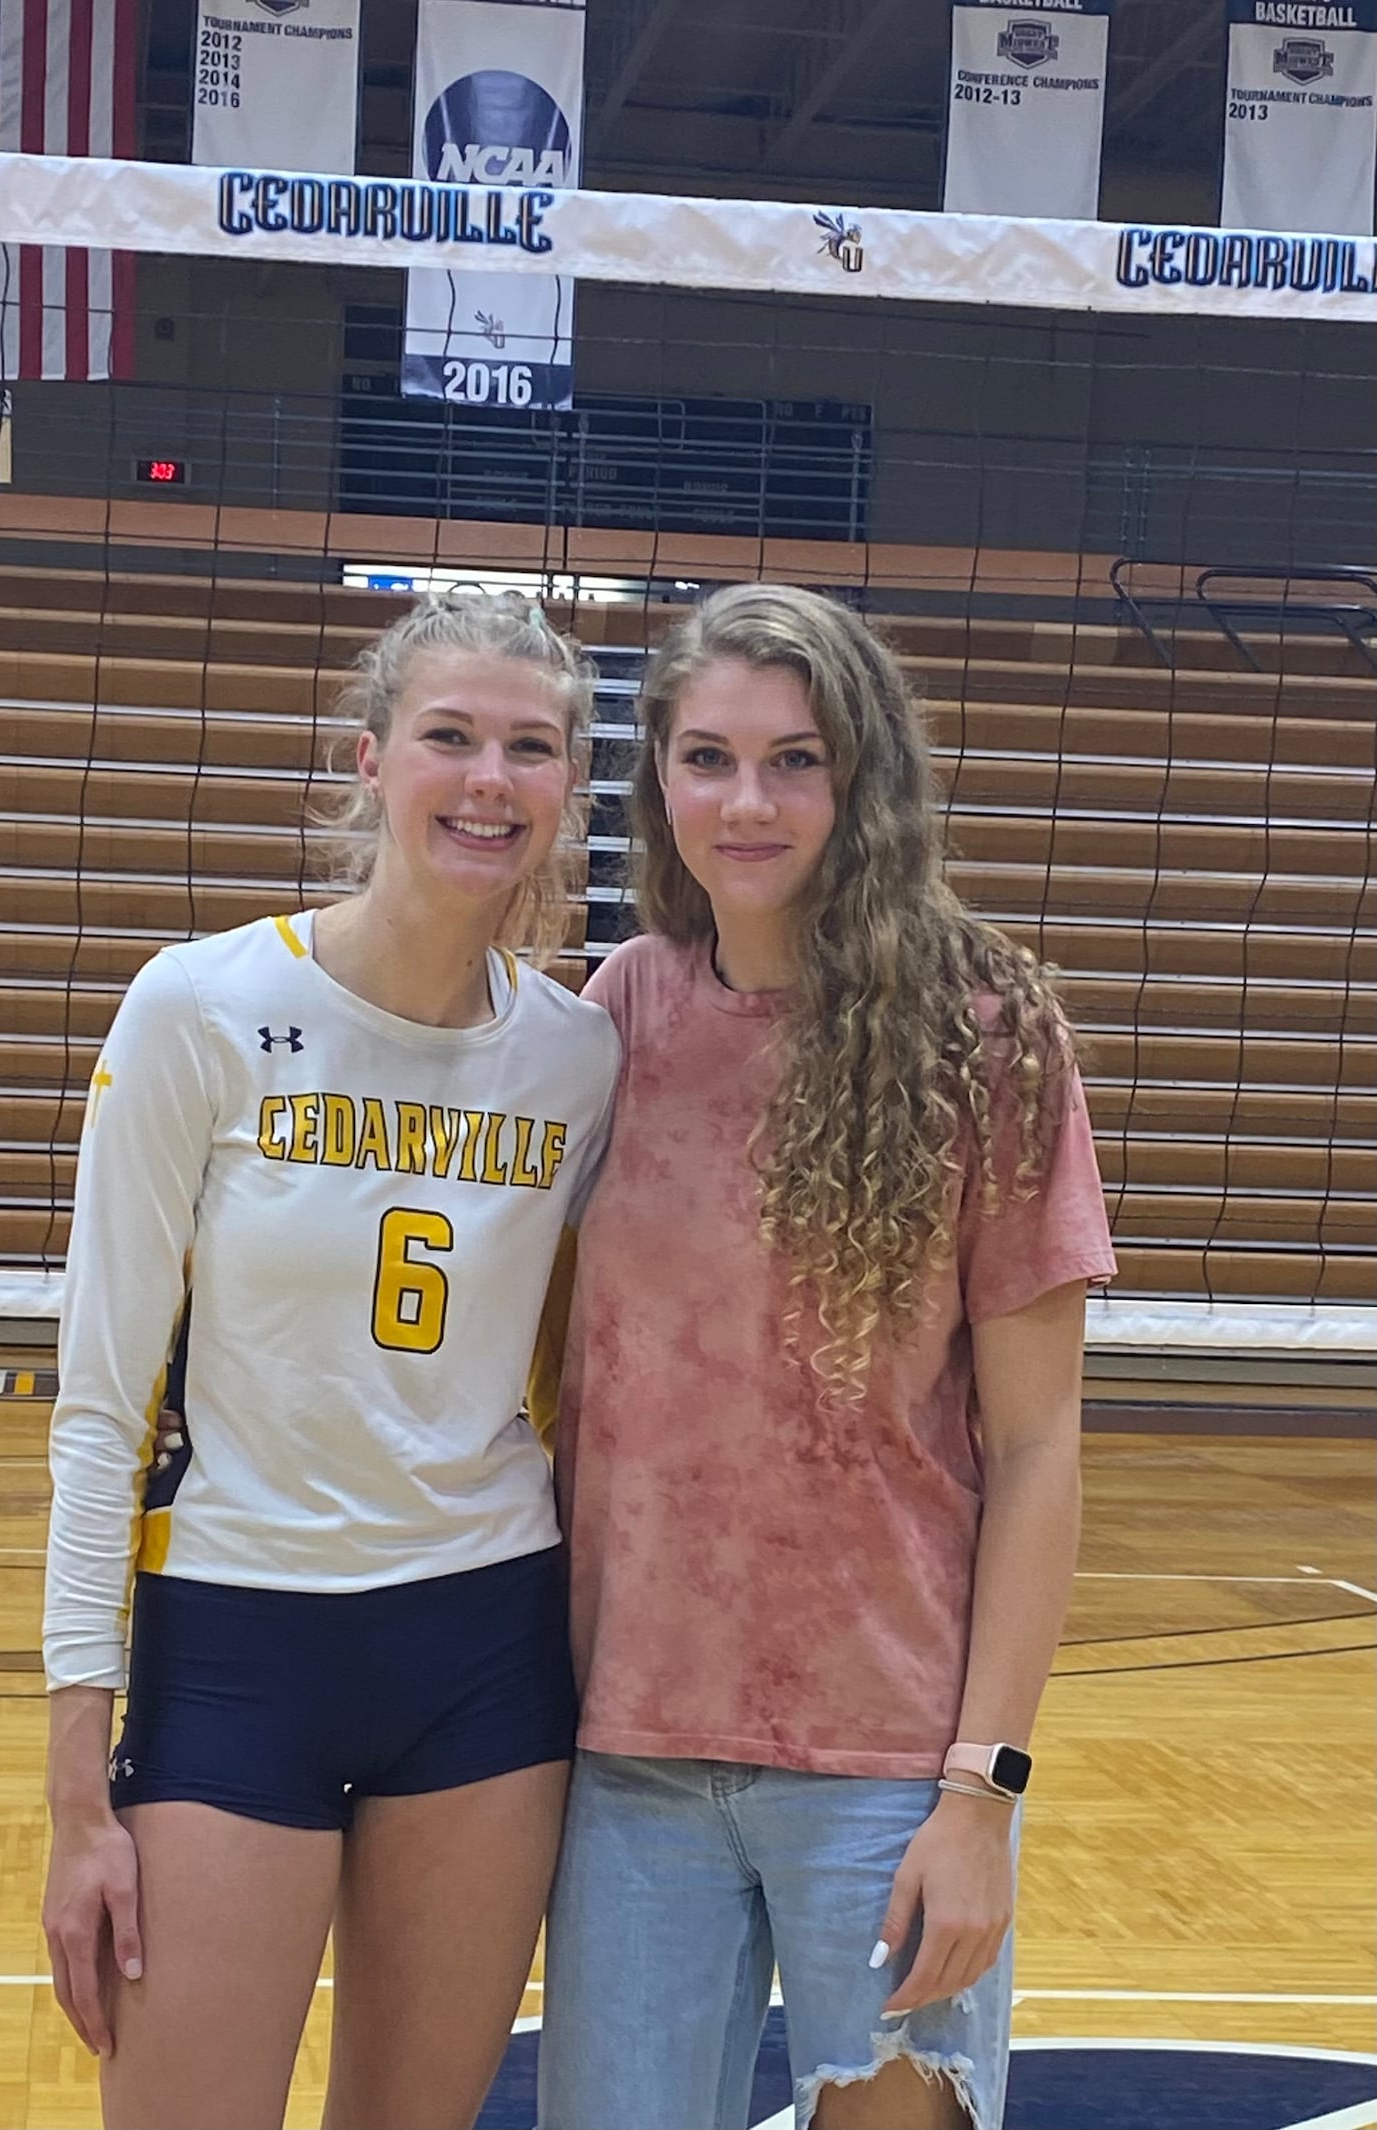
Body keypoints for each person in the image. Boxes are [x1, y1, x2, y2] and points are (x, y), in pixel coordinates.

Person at [533, 584, 1118, 2130]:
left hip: (887, 1763)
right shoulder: (623, 1013)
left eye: (795, 759)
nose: (747, 800)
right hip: (631, 1751)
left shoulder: (986, 1032)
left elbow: (1041, 1446)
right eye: (708, 757)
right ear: (655, 775)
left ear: (864, 780)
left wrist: (982, 1790)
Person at [41, 591, 620, 2130]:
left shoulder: (577, 1058)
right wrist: (72, 1793)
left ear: (569, 785)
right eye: (450, 736)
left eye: (530, 746)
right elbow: (100, 1415)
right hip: (239, 1638)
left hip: (485, 1649)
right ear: (371, 759)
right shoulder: (206, 1008)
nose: (488, 777)